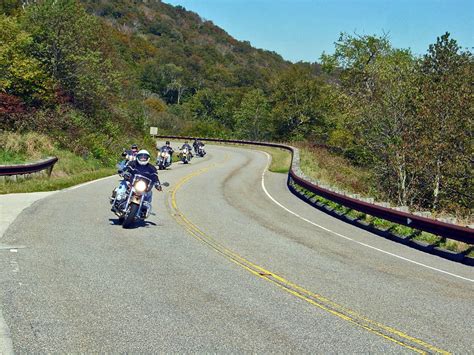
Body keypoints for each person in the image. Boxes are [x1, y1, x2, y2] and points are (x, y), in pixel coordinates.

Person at [113, 150, 161, 217]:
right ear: (138, 157)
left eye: (145, 157)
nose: (143, 158)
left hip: (143, 186)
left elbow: (155, 177)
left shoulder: (152, 168)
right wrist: (123, 172)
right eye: (141, 157)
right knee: (123, 185)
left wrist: (157, 184)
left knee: (149, 193)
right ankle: (117, 199)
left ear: (148, 158)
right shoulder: (132, 163)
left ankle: (144, 208)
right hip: (131, 183)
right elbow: (127, 168)